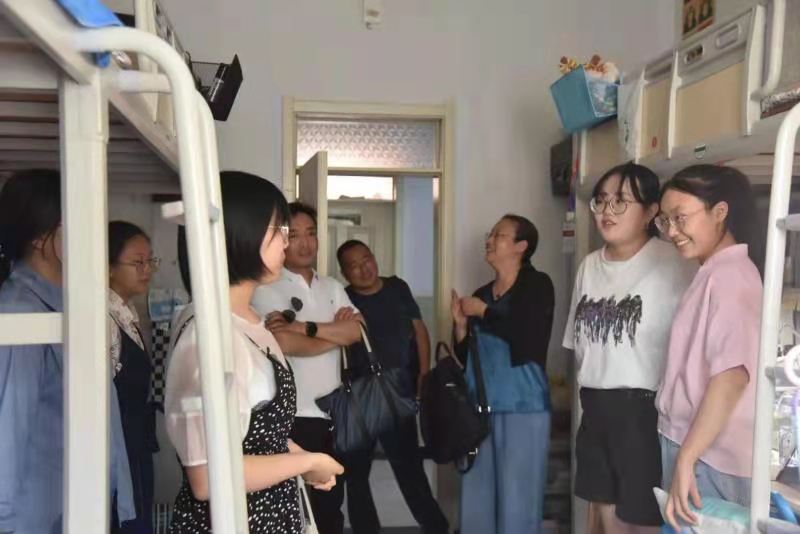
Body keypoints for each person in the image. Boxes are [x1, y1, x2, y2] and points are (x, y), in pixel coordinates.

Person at [165, 171, 344, 533]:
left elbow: (260, 436)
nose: (287, 241)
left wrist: (305, 460)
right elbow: (206, 476)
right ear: (240, 233)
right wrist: (307, 462)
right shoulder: (208, 332)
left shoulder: (250, 322)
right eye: (280, 230)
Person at [563, 163, 696, 534]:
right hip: (594, 408)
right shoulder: (589, 266)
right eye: (601, 201)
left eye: (621, 201)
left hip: (643, 413)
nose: (607, 211)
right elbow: (579, 347)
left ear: (651, 211)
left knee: (641, 521)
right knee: (604, 518)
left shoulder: (674, 263)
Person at [0, 169, 135, 534]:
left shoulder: (70, 303)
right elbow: (9, 426)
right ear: (42, 238)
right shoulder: (20, 312)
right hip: (36, 517)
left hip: (76, 506)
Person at [656, 164, 761, 531]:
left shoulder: (731, 279)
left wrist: (687, 457)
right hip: (695, 447)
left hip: (709, 456)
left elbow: (731, 378)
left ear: (720, 212)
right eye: (665, 221)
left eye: (680, 218)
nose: (672, 231)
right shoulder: (712, 273)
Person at [252, 202, 362, 534]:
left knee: (331, 508)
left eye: (311, 233)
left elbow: (357, 331)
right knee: (293, 509)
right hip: (291, 417)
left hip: (333, 415)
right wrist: (335, 335)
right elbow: (284, 343)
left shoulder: (333, 288)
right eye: (295, 234)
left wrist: (305, 328)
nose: (305, 243)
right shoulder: (266, 287)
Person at [451, 213, 555, 534]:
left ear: (521, 246)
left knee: (518, 499)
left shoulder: (537, 286)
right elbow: (467, 356)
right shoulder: (481, 293)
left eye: (499, 235)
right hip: (479, 408)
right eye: (491, 234)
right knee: (477, 500)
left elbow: (527, 336)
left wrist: (484, 312)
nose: (490, 240)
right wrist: (461, 326)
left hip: (523, 405)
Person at [336, 240, 449, 534]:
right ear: (345, 273)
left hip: (398, 392)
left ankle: (437, 528)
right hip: (359, 397)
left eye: (367, 259)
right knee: (356, 475)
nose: (364, 269)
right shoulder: (342, 298)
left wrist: (423, 374)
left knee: (409, 469)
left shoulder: (398, 288)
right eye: (354, 266)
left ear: (374, 257)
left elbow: (419, 332)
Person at [108, 221, 161, 534]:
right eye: (137, 262)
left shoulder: (126, 311)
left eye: (150, 261)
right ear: (109, 267)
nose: (147, 270)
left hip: (136, 444)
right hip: (118, 447)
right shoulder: (103, 318)